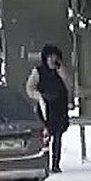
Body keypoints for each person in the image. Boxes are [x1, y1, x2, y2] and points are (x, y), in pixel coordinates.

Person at [26, 44, 72, 173]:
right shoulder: (38, 71)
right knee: (45, 138)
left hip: (59, 108)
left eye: (55, 56)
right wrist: (39, 97)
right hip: (45, 108)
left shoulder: (60, 71)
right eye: (50, 56)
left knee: (58, 137)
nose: (52, 59)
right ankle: (44, 163)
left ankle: (56, 164)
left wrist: (61, 71)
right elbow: (30, 87)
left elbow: (69, 85)